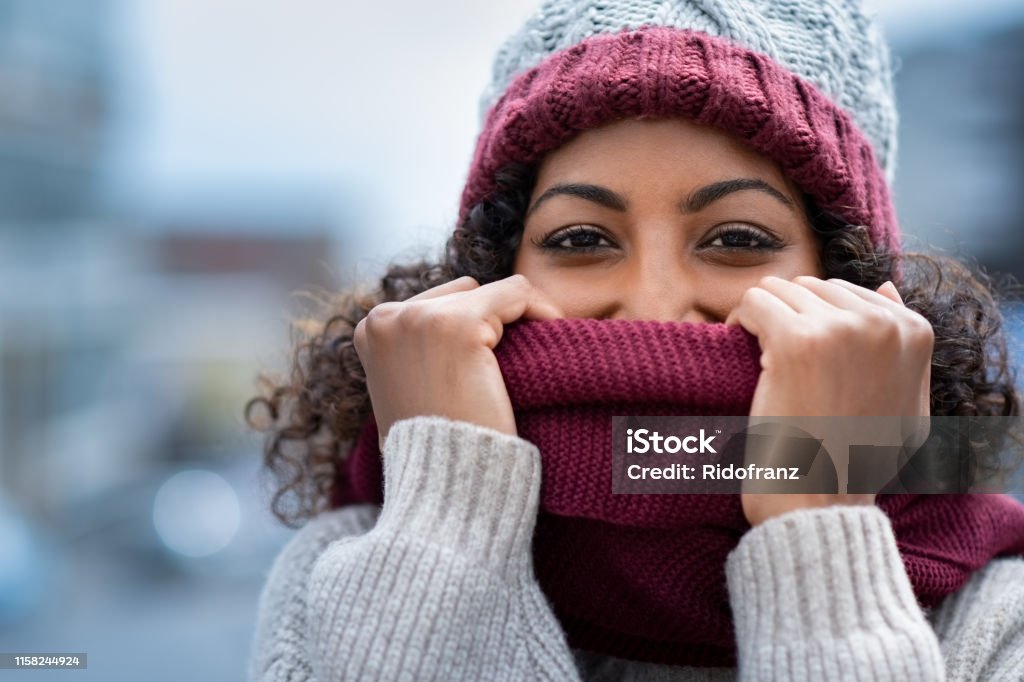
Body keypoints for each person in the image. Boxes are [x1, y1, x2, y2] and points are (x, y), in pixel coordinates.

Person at [246, 1, 1024, 680]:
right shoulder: (341, 573)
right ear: (491, 271)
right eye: (582, 238)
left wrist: (816, 512)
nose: (654, 306)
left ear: (846, 283)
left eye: (737, 238)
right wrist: (448, 509)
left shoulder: (998, 617)